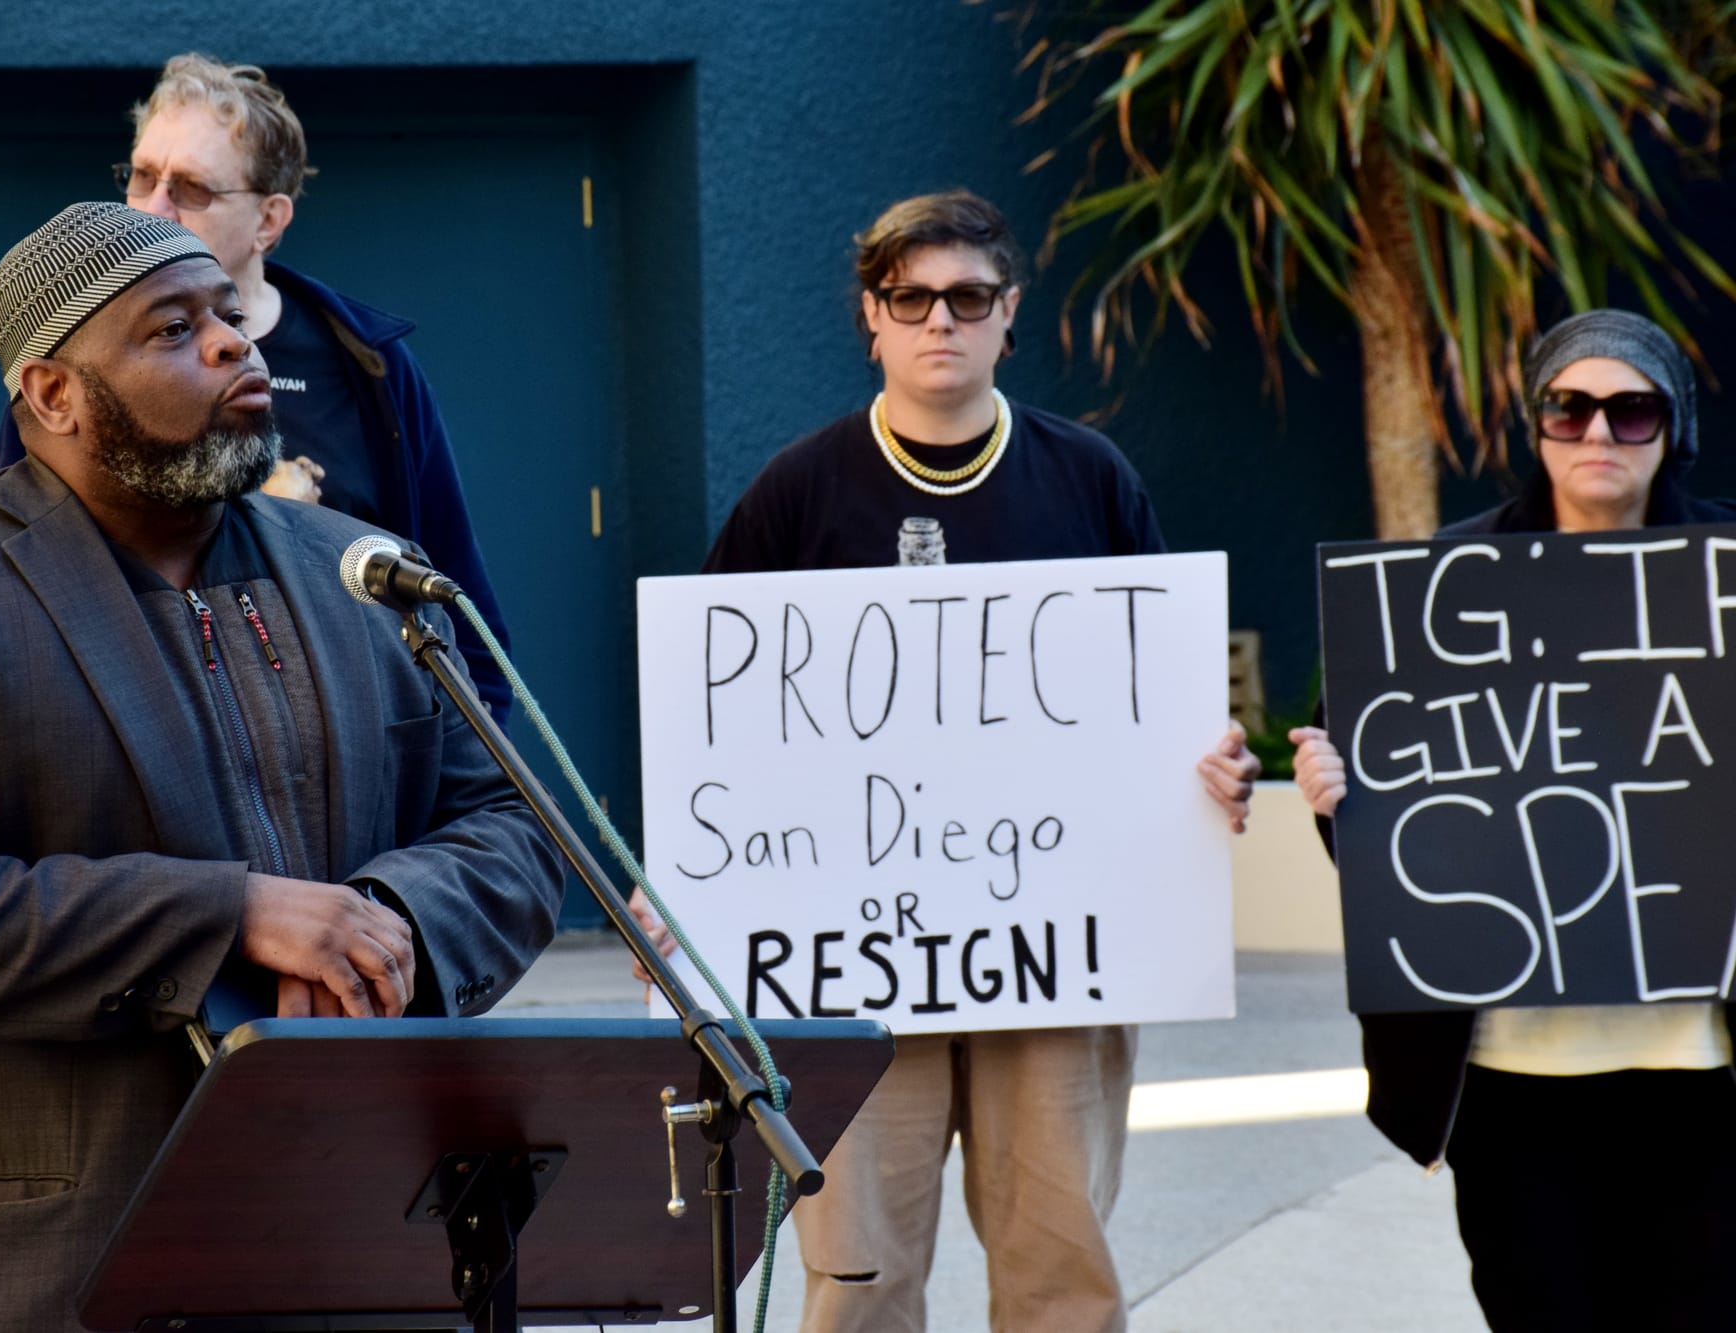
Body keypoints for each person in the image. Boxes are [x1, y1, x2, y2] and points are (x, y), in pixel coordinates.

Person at [0, 202, 567, 1332]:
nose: (230, 344)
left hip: (352, 1248)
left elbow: (509, 821)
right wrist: (230, 918)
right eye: (169, 330)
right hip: (52, 1271)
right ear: (51, 392)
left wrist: (381, 921)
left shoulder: (364, 569)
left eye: (229, 314)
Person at [632, 190, 1259, 1333]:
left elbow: (1168, 705)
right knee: (856, 1278)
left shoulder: (1089, 480)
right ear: (870, 314)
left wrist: (1215, 770)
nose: (939, 321)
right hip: (851, 970)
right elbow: (707, 721)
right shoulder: (795, 494)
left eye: (966, 297)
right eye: (908, 297)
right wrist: (676, 882)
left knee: (1059, 1271)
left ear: (1007, 311)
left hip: (1060, 959)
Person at [1289, 308, 1736, 1331]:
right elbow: (1389, 839)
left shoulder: (1721, 580)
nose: (1595, 436)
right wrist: (1333, 798)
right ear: (1531, 427)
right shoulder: (1436, 589)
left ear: (1672, 429)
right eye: (1567, 409)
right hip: (1507, 1073)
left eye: (1631, 412)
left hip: (1700, 1065)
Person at [0, 53, 516, 722]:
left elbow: (461, 612)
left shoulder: (368, 364)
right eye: (142, 176)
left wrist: (455, 778)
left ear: (269, 220)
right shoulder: (74, 363)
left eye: (191, 190)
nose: (155, 209)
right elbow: (16, 564)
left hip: (354, 744)